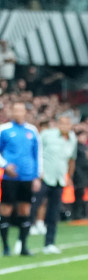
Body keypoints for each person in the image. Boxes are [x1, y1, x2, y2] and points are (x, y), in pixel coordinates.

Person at [0, 101, 41, 257]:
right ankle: (5, 247)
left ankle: (23, 246)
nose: (18, 113)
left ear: (25, 112)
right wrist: (5, 165)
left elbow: (37, 154)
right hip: (10, 178)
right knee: (6, 210)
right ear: (11, 112)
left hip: (27, 177)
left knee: (25, 210)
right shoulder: (4, 130)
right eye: (15, 110)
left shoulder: (32, 131)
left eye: (21, 110)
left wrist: (37, 176)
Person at [37, 114, 77, 254]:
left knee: (53, 212)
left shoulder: (72, 138)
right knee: (34, 205)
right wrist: (38, 171)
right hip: (44, 176)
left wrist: (69, 176)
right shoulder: (47, 135)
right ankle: (22, 239)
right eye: (63, 123)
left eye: (68, 124)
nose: (65, 127)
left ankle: (49, 243)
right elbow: (37, 151)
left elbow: (72, 159)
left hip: (59, 179)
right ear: (58, 124)